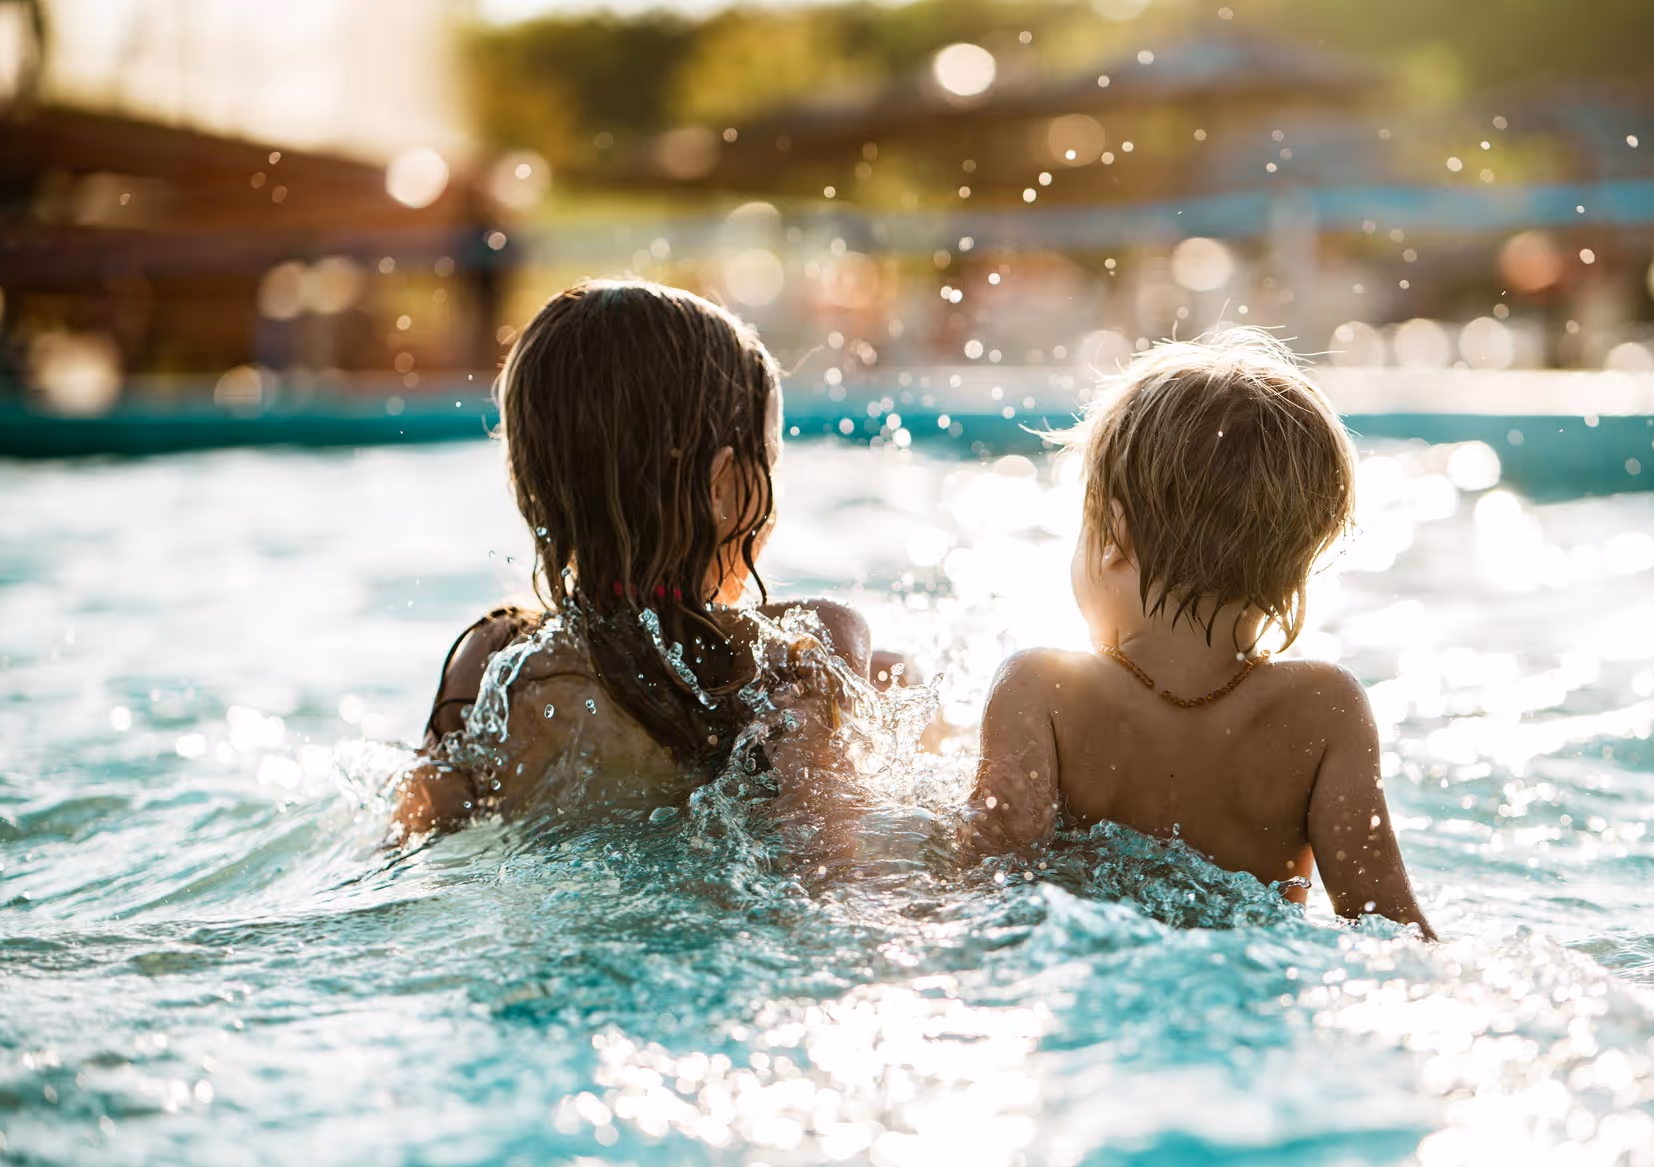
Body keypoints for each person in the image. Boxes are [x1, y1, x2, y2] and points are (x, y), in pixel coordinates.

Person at [962, 329, 1435, 939]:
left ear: (1114, 535)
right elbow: (1390, 925)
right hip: (1257, 995)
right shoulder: (1327, 708)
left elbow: (985, 893)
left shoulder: (1042, 689)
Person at [393, 280, 875, 835]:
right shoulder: (801, 643)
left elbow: (412, 841)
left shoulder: (492, 659)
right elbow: (828, 860)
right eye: (769, 460)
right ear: (720, 486)